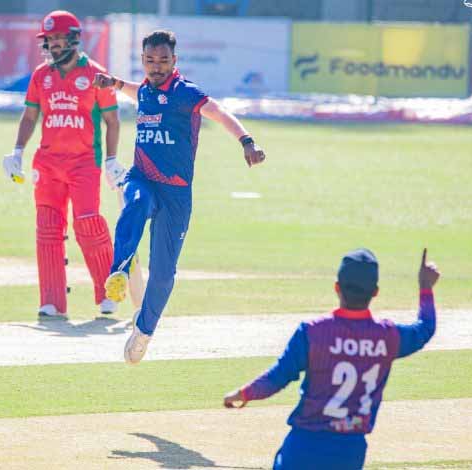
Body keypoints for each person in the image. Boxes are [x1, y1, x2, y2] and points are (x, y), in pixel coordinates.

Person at [93, 30, 266, 364]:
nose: (156, 67)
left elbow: (218, 112)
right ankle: (119, 271)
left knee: (163, 274)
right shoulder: (145, 89)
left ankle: (144, 331)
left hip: (176, 193)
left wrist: (247, 141)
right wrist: (114, 83)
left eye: (163, 61)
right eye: (149, 60)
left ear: (174, 61)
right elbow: (136, 90)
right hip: (143, 178)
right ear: (142, 60)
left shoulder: (185, 93)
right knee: (134, 202)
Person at [223, 248, 440, 470]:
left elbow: (278, 377)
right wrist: (425, 287)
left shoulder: (313, 332)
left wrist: (243, 393)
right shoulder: (388, 336)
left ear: (337, 287)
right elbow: (425, 328)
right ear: (375, 292)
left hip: (304, 447)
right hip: (350, 452)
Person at [2, 10, 128, 319]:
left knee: (88, 224)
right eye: (50, 40)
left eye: (59, 38)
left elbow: (112, 120)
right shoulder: (40, 75)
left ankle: (107, 292)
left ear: (73, 39)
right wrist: (17, 151)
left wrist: (111, 160)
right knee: (47, 228)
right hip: (47, 163)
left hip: (84, 162)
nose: (54, 45)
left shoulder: (96, 74)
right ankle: (52, 301)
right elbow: (30, 116)